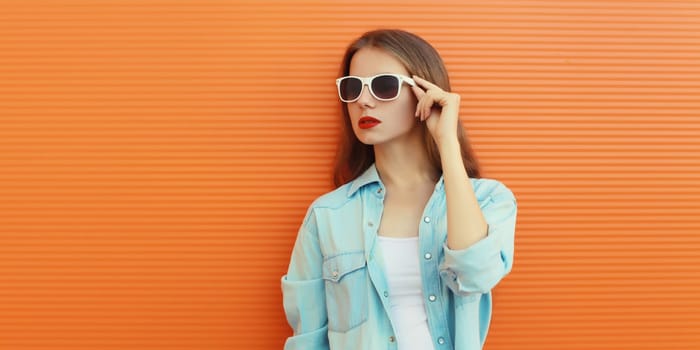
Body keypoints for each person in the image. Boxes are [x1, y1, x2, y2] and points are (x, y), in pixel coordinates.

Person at [281, 29, 517, 350]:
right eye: (353, 88)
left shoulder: (489, 199)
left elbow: (475, 274)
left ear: (424, 92)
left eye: (384, 86)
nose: (363, 100)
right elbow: (308, 339)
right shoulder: (327, 216)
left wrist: (446, 140)